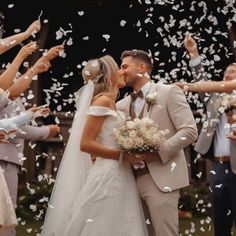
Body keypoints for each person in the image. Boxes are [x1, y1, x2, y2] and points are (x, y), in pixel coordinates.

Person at [41, 55, 149, 236]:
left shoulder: (114, 104)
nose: (122, 72)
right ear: (108, 76)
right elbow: (85, 144)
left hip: (122, 173)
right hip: (107, 174)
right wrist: (122, 155)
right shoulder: (102, 101)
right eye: (118, 68)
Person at [116, 49, 198, 236]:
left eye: (125, 66)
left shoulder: (169, 92)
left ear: (142, 67)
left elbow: (190, 131)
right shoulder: (121, 104)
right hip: (130, 180)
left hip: (162, 179)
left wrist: (160, 152)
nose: (121, 71)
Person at [176, 34, 236, 236]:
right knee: (220, 219)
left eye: (233, 74)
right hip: (218, 165)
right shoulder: (214, 99)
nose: (228, 77)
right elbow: (201, 80)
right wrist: (194, 53)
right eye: (227, 74)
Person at [0, 44, 63, 236]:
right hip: (4, 159)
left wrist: (38, 64)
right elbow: (16, 128)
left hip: (6, 158)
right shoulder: (7, 98)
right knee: (5, 216)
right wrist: (45, 131)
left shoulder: (9, 98)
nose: (21, 81)